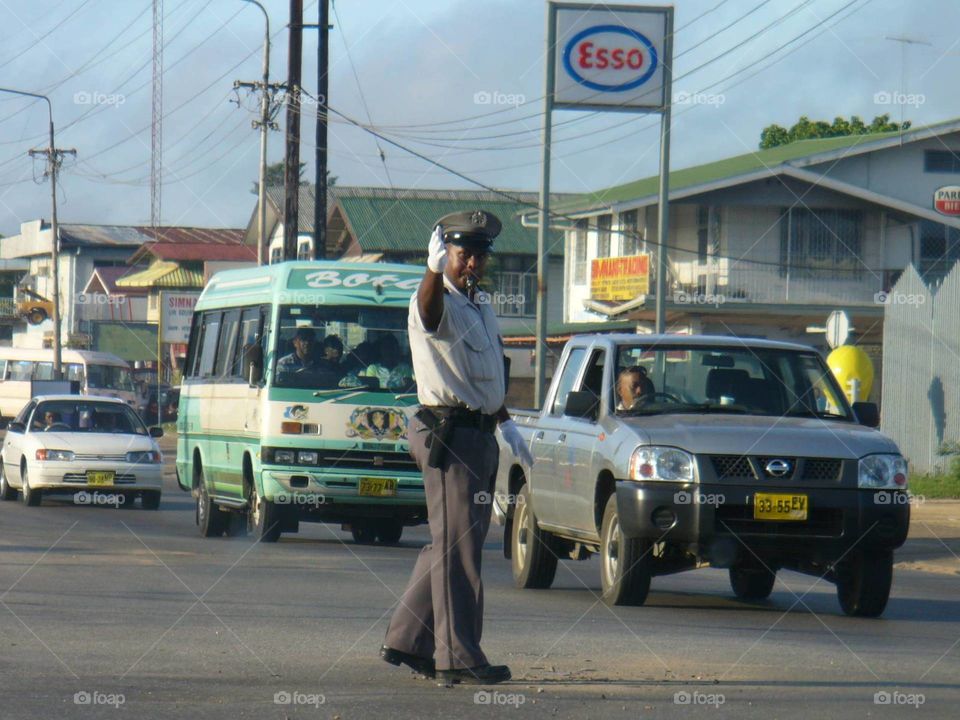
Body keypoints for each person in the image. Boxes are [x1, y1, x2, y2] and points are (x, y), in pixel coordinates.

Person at [380, 210, 534, 687]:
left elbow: (486, 375)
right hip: (449, 433)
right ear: (444, 253)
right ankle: (458, 656)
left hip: (480, 432)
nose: (471, 263)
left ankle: (406, 639)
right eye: (462, 254)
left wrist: (506, 423)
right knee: (461, 550)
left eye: (477, 255)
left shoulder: (479, 305)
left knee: (448, 545)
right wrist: (430, 271)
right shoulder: (435, 300)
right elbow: (428, 314)